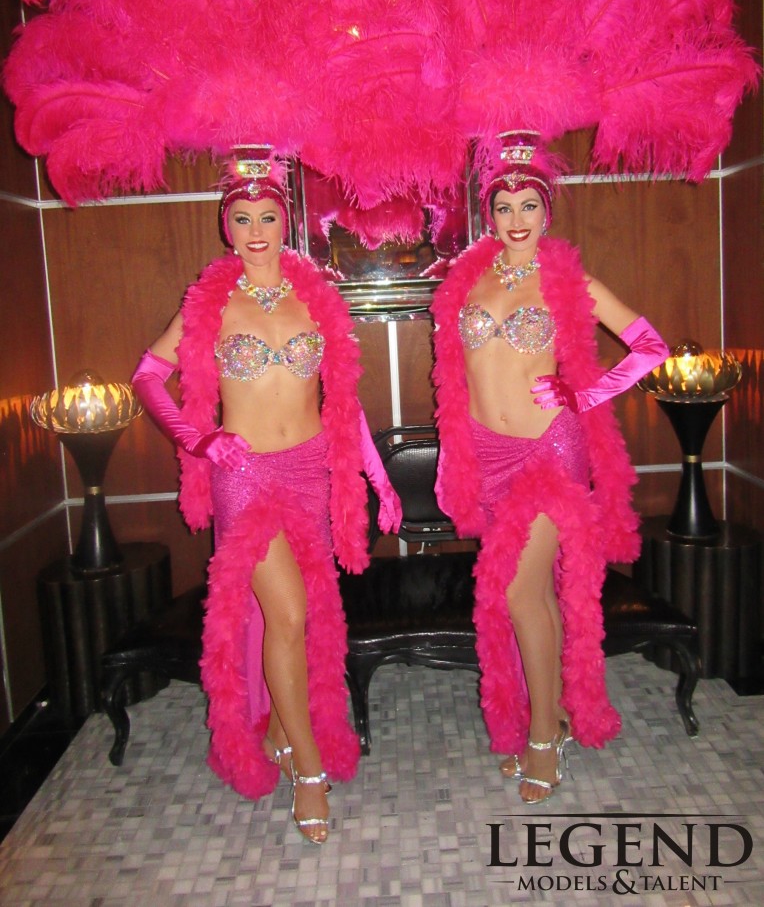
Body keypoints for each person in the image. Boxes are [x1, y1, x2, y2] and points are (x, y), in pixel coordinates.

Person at [132, 157, 401, 843]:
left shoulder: (318, 299)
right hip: (245, 476)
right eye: (242, 218)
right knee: (286, 613)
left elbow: (343, 404)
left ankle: (281, 727)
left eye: (268, 217)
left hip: (312, 473)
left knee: (300, 618)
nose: (256, 230)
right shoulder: (210, 304)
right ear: (226, 226)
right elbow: (148, 375)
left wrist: (379, 478)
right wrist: (198, 439)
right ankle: (308, 770)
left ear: (288, 223)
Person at [431, 132, 668, 805]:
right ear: (488, 212)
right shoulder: (465, 282)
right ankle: (554, 707)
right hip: (487, 455)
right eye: (503, 206)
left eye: (527, 205)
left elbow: (649, 346)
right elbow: (453, 380)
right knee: (531, 596)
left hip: (547, 453)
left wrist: (584, 394)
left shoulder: (569, 282)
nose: (515, 219)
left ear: (547, 210)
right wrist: (455, 455)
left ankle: (542, 735)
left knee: (516, 592)